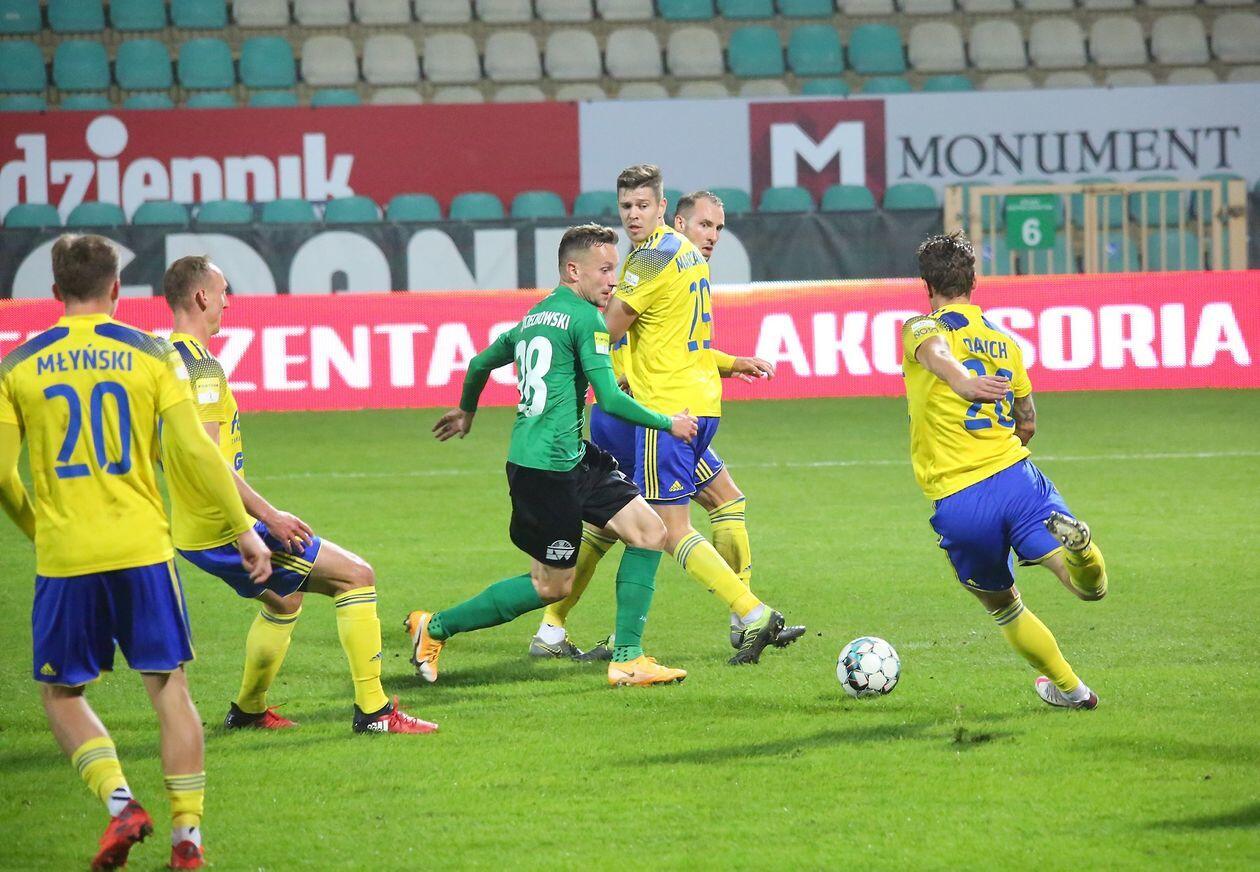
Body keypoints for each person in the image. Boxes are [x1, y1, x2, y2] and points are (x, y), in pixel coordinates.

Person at [0, 235, 271, 870]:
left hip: (67, 557)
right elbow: (198, 451)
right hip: (144, 549)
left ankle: (121, 803)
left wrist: (41, 529)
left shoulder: (18, 366)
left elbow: (3, 476)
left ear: (55, 291)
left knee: (62, 694)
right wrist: (245, 529)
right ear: (117, 288)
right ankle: (187, 839)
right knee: (170, 690)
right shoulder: (151, 355)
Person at [406, 224, 699, 687]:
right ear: (573, 270)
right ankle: (435, 626)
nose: (613, 280)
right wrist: (669, 422)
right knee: (550, 586)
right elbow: (610, 399)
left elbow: (479, 362)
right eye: (604, 270)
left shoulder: (536, 316)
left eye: (615, 269)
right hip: (545, 472)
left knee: (649, 532)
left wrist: (466, 410)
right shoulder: (587, 320)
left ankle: (629, 659)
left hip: (572, 458)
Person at [160, 256, 436, 735]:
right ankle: (375, 713)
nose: (228, 302)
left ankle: (248, 712)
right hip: (223, 525)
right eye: (223, 291)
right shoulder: (201, 368)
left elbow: (166, 450)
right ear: (202, 296)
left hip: (191, 526)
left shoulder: (162, 359)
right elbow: (205, 459)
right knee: (356, 576)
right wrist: (266, 516)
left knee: (284, 602)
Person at [531, 190, 805, 659]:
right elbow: (608, 334)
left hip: (668, 413)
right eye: (704, 225)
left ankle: (744, 618)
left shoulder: (678, 270)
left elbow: (676, 350)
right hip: (638, 416)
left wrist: (731, 362)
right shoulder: (650, 267)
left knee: (724, 500)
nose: (712, 236)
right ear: (678, 223)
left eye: (718, 228)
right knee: (631, 526)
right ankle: (745, 615)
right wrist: (616, 375)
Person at [902, 232, 1109, 710]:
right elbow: (1028, 420)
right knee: (1086, 589)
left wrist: (962, 382)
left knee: (1005, 606)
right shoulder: (1004, 342)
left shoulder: (920, 326)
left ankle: (1074, 690)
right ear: (974, 282)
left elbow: (937, 353)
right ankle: (1081, 549)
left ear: (926, 285)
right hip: (1018, 480)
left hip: (961, 499)